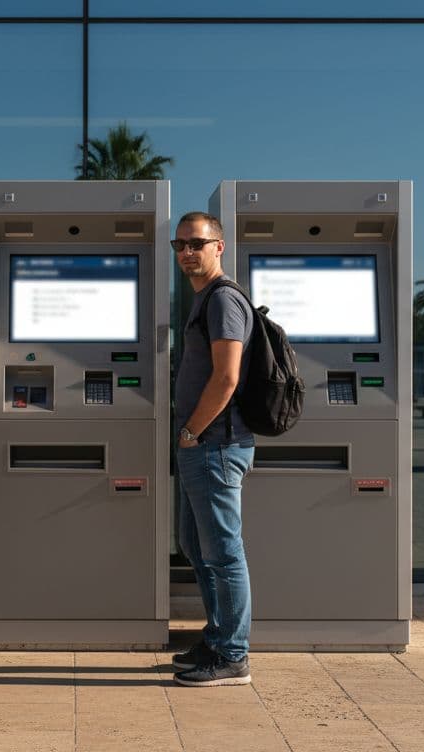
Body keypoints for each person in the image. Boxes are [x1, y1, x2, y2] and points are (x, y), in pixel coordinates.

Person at [170, 211, 255, 687]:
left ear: (218, 247)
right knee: (195, 545)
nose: (187, 252)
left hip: (215, 445)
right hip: (203, 445)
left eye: (196, 244)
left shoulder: (222, 300)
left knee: (223, 552)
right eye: (179, 245)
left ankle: (233, 655)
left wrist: (191, 431)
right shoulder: (204, 300)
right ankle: (218, 637)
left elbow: (227, 377)